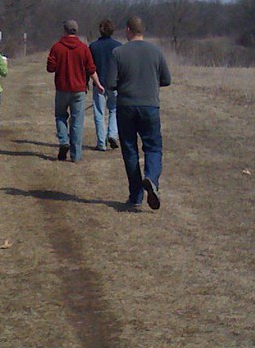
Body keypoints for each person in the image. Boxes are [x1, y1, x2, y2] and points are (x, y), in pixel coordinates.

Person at [107, 16, 171, 210]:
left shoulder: (118, 52)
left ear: (128, 30)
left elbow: (110, 83)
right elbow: (166, 79)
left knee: (130, 149)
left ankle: (135, 196)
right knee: (153, 147)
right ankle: (151, 178)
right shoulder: (156, 51)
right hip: (150, 106)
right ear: (142, 30)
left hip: (126, 106)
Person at [46, 19, 105, 163]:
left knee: (60, 116)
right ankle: (76, 155)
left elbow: (50, 68)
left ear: (64, 31)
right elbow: (91, 69)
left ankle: (63, 141)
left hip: (62, 89)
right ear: (76, 31)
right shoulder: (83, 48)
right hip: (79, 90)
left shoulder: (57, 47)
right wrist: (98, 84)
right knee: (77, 121)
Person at [89, 18, 121, 151]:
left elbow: (89, 67)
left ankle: (101, 143)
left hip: (98, 83)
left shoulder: (93, 46)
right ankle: (112, 134)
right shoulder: (119, 46)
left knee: (99, 113)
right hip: (114, 84)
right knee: (114, 109)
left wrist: (87, 82)